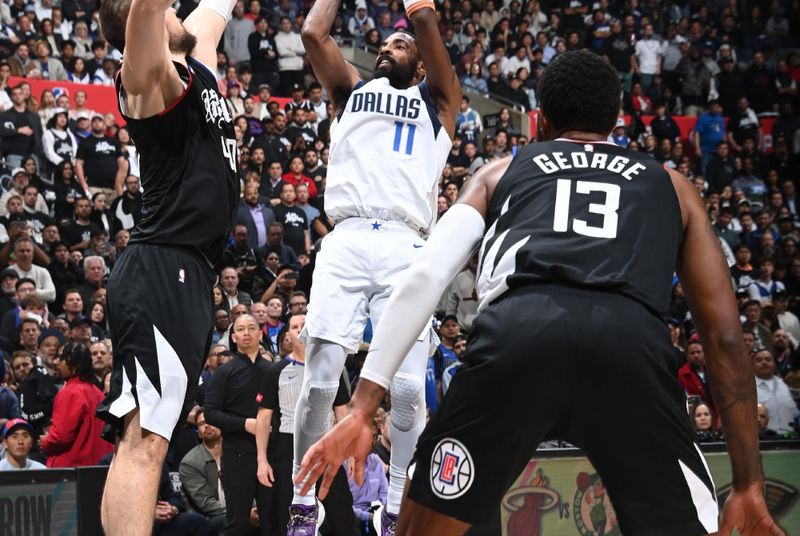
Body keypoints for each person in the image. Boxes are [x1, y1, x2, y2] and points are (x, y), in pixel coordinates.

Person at [296, 51, 782, 536]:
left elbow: (423, 276)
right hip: (629, 347)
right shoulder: (673, 186)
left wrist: (362, 407)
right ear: (614, 119)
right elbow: (723, 337)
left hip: (518, 338)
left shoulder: (498, 172)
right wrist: (749, 485)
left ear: (541, 121)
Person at [291, 0, 460, 532]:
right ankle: (303, 502)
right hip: (346, 236)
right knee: (316, 388)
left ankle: (393, 500)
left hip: (408, 244)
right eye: (385, 43)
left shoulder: (440, 102)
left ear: (419, 64)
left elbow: (427, 23)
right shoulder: (350, 92)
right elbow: (314, 35)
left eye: (401, 45)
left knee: (410, 390)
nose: (390, 47)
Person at [94, 0, 254, 534]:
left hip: (189, 273)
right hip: (161, 267)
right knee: (146, 442)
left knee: (148, 436)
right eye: (172, 9)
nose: (184, 12)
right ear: (148, 24)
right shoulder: (146, 80)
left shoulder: (198, 59)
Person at [256, 312, 355, 536]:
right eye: (294, 326)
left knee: (342, 515)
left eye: (304, 325)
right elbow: (263, 418)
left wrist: (347, 452)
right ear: (288, 334)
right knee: (290, 515)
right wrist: (262, 460)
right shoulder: (275, 371)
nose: (300, 330)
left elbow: (342, 412)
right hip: (288, 445)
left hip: (328, 445)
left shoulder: (331, 369)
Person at [204, 313, 272, 535]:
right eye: (241, 329)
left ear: (260, 332)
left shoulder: (273, 371)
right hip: (237, 455)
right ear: (233, 337)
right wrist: (247, 424)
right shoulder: (224, 372)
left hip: (272, 454)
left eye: (251, 328)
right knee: (237, 523)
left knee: (273, 520)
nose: (246, 333)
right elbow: (211, 413)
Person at [40, 341, 113, 466]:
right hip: (100, 470)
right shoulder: (98, 393)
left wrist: (45, 442)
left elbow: (60, 438)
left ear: (75, 365)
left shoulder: (69, 392)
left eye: (61, 358)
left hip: (72, 473)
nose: (56, 362)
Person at [179, 409, 226, 533]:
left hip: (241, 512)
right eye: (201, 424)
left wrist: (253, 510)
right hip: (209, 518)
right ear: (198, 433)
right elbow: (206, 503)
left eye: (211, 421)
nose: (207, 425)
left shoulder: (236, 454)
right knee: (228, 521)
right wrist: (242, 514)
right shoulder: (190, 462)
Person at [754, 348, 797, 435]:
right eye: (759, 360)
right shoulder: (747, 388)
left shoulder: (783, 385)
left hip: (789, 441)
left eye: (768, 359)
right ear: (752, 364)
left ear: (774, 363)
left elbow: (795, 413)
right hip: (763, 443)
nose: (764, 362)